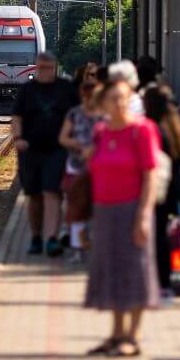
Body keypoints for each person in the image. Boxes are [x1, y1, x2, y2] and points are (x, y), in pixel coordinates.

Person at [83, 76, 161, 357]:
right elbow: (94, 167)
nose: (118, 103)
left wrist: (143, 215)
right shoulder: (101, 132)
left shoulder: (142, 130)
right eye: (112, 98)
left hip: (132, 209)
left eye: (123, 98)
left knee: (136, 270)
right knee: (112, 269)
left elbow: (150, 174)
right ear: (102, 103)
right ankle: (116, 333)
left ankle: (133, 335)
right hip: (105, 210)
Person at [12, 51, 75, 257]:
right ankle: (36, 236)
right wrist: (18, 138)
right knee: (34, 195)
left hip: (57, 150)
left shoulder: (66, 88)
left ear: (55, 67)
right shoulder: (27, 90)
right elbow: (17, 117)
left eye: (49, 68)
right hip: (30, 150)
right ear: (36, 68)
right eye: (41, 68)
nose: (45, 72)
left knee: (52, 193)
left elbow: (77, 115)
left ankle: (51, 239)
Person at [143, 83, 180, 294]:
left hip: (157, 190)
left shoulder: (152, 129)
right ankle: (173, 277)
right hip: (174, 190)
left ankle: (159, 280)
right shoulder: (175, 126)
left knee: (157, 237)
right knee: (170, 235)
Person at [58, 77, 103, 262]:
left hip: (99, 169)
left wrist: (93, 149)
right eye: (85, 96)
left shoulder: (104, 116)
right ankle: (79, 248)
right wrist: (76, 144)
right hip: (76, 167)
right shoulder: (74, 113)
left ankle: (95, 245)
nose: (87, 100)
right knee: (75, 209)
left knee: (97, 209)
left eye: (91, 96)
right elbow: (63, 138)